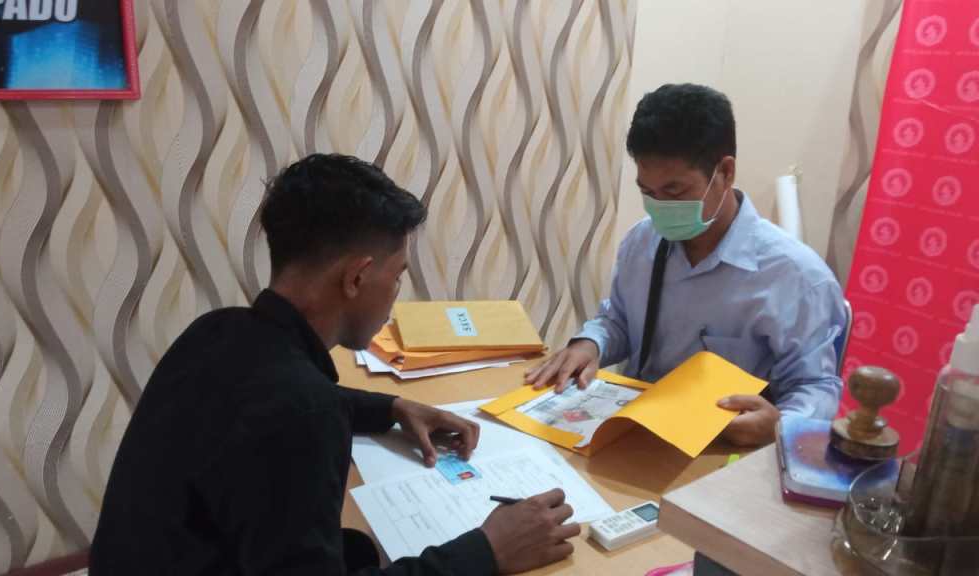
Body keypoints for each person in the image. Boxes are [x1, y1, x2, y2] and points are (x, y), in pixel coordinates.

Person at [90, 154, 580, 575]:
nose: (396, 293)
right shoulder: (302, 410)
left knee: (360, 547)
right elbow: (296, 408)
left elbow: (274, 399)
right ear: (356, 278)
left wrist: (391, 407)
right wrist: (487, 550)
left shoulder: (219, 331)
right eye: (397, 276)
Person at [526, 84, 846, 447]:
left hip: (722, 450)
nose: (660, 207)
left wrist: (780, 425)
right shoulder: (642, 242)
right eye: (647, 192)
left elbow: (816, 387)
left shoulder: (796, 276)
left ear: (725, 172)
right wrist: (590, 343)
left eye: (674, 191)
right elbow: (619, 319)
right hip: (637, 433)